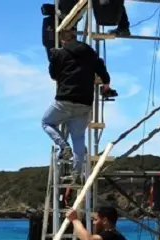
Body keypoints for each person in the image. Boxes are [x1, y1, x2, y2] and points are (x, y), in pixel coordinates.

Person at [43, 28, 112, 184]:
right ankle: (76, 175)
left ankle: (63, 146)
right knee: (78, 139)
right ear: (75, 37)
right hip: (84, 102)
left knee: (46, 122)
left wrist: (55, 60)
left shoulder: (59, 54)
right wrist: (106, 85)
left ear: (62, 41)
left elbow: (54, 75)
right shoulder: (89, 52)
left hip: (64, 100)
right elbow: (102, 70)